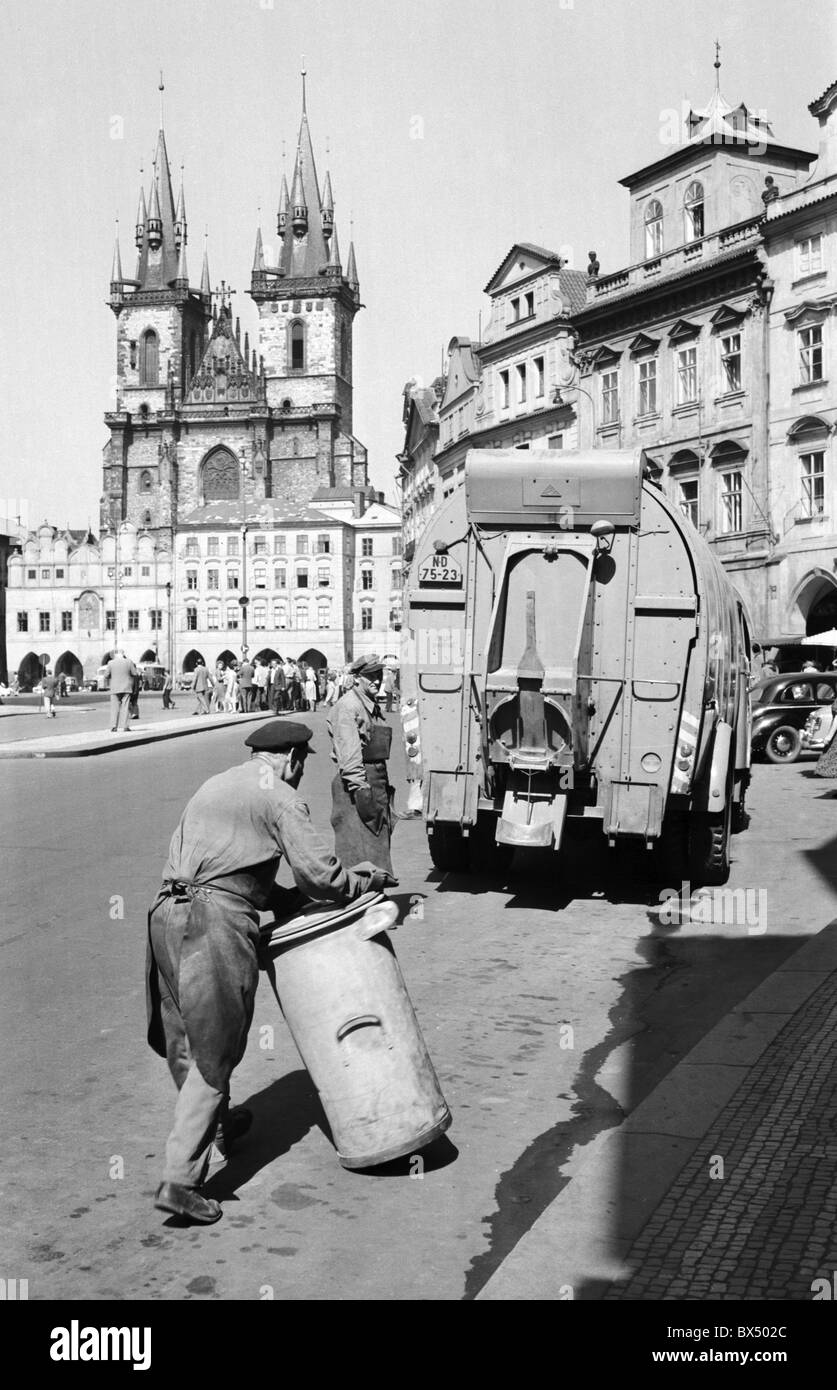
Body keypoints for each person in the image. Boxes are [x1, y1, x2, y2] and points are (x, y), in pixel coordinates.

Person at [146, 719, 393, 1224]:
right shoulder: (280, 797)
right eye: (302, 764)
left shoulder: (217, 784)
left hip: (164, 915)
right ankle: (180, 1181)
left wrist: (284, 900)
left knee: (185, 1040)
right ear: (293, 759)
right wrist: (362, 881)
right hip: (212, 924)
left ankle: (215, 1126)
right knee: (216, 1052)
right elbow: (321, 876)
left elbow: (235, 875)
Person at [326, 654, 396, 876]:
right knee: (358, 851)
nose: (375, 680)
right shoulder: (348, 707)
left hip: (375, 780)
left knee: (378, 847)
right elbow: (350, 755)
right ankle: (361, 901)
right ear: (356, 678)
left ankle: (375, 897)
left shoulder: (369, 704)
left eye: (378, 675)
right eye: (369, 676)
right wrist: (362, 793)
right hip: (357, 785)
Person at [102, 650, 138, 732]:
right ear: (123, 655)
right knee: (125, 707)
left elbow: (106, 675)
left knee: (115, 708)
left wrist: (113, 676)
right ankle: (125, 726)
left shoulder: (111, 663)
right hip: (126, 688)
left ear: (116, 656)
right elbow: (135, 674)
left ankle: (114, 726)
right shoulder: (129, 662)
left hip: (115, 688)